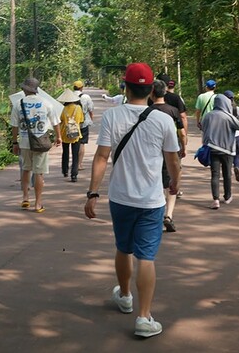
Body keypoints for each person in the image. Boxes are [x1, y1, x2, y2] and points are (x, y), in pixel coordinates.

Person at [85, 63, 180, 339]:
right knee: (146, 257)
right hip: (151, 200)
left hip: (120, 197)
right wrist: (175, 182)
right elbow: (172, 159)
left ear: (125, 88)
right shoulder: (163, 120)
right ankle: (144, 317)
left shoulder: (113, 117)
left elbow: (101, 157)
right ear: (151, 90)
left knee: (123, 248)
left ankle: (125, 296)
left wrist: (92, 193)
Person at [10, 77, 61, 213]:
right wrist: (59, 137)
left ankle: (25, 198)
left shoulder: (18, 104)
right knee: (39, 173)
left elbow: (14, 126)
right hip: (41, 142)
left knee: (26, 169)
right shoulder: (46, 103)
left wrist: (15, 142)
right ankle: (38, 204)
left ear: (24, 89)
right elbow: (56, 122)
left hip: (25, 143)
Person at [149, 79, 186, 232]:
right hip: (171, 150)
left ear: (151, 93)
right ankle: (168, 215)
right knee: (172, 182)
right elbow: (182, 133)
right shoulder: (173, 111)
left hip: (152, 151)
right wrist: (183, 147)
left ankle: (155, 214)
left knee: (155, 182)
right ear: (164, 92)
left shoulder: (147, 110)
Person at [200, 93, 239, 209]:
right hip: (227, 150)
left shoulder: (208, 116)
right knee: (227, 174)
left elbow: (203, 128)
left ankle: (215, 200)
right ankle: (227, 196)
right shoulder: (228, 117)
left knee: (215, 174)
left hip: (212, 149)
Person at [57, 88, 85, 182]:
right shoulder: (78, 108)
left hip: (65, 133)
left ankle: (65, 171)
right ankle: (74, 175)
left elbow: (60, 120)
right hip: (76, 134)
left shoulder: (62, 109)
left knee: (65, 152)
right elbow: (81, 120)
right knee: (75, 154)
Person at [222, 90, 239, 182]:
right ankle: (237, 167)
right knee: (237, 154)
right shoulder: (237, 109)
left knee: (226, 155)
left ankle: (228, 172)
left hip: (224, 136)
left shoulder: (221, 109)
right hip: (236, 135)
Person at [73, 80, 95, 170]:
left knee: (74, 143)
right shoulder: (86, 97)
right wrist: (91, 119)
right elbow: (91, 109)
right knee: (82, 143)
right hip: (83, 123)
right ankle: (79, 164)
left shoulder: (69, 96)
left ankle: (74, 163)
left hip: (72, 124)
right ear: (82, 87)